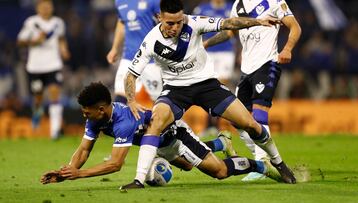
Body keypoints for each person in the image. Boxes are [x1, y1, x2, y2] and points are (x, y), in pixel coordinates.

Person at [121, 0, 296, 189]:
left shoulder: (194, 22)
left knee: (250, 124)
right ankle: (139, 180)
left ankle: (278, 163)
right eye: (170, 23)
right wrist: (131, 100)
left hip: (207, 86)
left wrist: (258, 22)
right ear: (159, 18)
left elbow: (228, 23)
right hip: (176, 90)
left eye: (179, 22)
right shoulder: (151, 41)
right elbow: (130, 74)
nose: (176, 27)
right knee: (156, 122)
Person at [40, 82, 283, 186]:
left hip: (175, 136)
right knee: (188, 167)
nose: (84, 116)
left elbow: (115, 164)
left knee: (218, 172)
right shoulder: (96, 119)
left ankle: (259, 166)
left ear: (101, 109)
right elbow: (83, 149)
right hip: (157, 146)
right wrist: (65, 171)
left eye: (86, 112)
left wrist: (78, 174)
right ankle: (221, 141)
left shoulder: (123, 121)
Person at [203, 0, 301, 181]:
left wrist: (287, 48)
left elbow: (295, 27)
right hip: (246, 70)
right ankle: (264, 161)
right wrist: (207, 44)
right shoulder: (237, 5)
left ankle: (262, 162)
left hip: (267, 64)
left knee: (259, 116)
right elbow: (230, 32)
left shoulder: (274, 1)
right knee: (237, 120)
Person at [17, 0, 70, 139]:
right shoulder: (31, 22)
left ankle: (55, 131)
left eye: (48, 6)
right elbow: (20, 41)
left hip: (53, 65)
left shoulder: (58, 23)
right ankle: (37, 113)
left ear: (52, 7)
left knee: (54, 94)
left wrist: (64, 50)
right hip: (35, 67)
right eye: (43, 6)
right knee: (38, 98)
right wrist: (34, 41)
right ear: (38, 8)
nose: (46, 9)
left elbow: (61, 38)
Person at [192, 0, 237, 138]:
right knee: (207, 85)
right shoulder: (201, 9)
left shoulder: (231, 8)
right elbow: (193, 29)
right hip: (207, 51)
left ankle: (215, 125)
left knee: (221, 85)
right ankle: (210, 125)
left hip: (226, 52)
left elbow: (235, 30)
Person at [106, 0, 163, 103]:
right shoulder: (119, 2)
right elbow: (121, 22)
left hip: (150, 59)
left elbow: (166, 21)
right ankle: (120, 119)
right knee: (121, 96)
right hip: (129, 57)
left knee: (159, 101)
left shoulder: (154, 1)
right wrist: (115, 48)